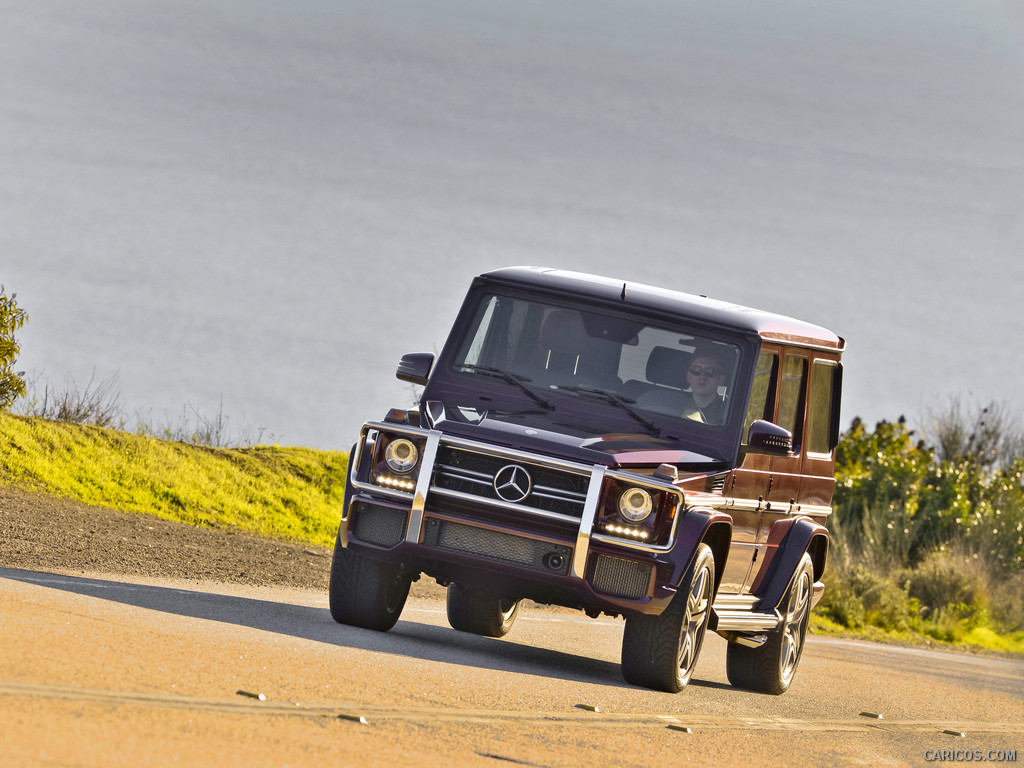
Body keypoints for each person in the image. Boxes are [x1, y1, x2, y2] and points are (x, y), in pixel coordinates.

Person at [683, 345, 729, 424]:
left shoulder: (729, 414)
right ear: (688, 376)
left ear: (721, 380)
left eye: (710, 372)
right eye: (696, 370)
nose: (702, 377)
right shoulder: (670, 404)